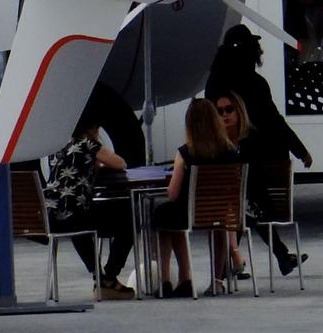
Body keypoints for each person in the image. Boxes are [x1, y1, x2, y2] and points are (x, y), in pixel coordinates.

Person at [151, 98, 241, 297]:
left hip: (189, 215)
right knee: (216, 226)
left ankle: (168, 278)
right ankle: (216, 281)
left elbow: (173, 194)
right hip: (219, 214)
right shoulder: (231, 153)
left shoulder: (185, 153)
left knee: (163, 215)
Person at [213, 90, 305, 277]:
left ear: (239, 111)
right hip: (231, 204)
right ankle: (280, 257)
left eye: (229, 110)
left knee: (243, 213)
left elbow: (254, 178)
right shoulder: (216, 143)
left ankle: (227, 267)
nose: (224, 115)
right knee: (235, 212)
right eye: (219, 111)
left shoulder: (251, 140)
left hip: (257, 201)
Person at [43, 110, 133, 300]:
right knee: (127, 222)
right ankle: (109, 275)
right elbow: (120, 163)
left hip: (51, 218)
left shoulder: (59, 147)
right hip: (76, 217)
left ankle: (99, 277)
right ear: (92, 130)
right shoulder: (89, 144)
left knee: (77, 218)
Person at [205, 25, 313, 169]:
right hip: (258, 158)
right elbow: (273, 121)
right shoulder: (255, 83)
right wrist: (300, 151)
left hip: (222, 155)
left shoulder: (214, 82)